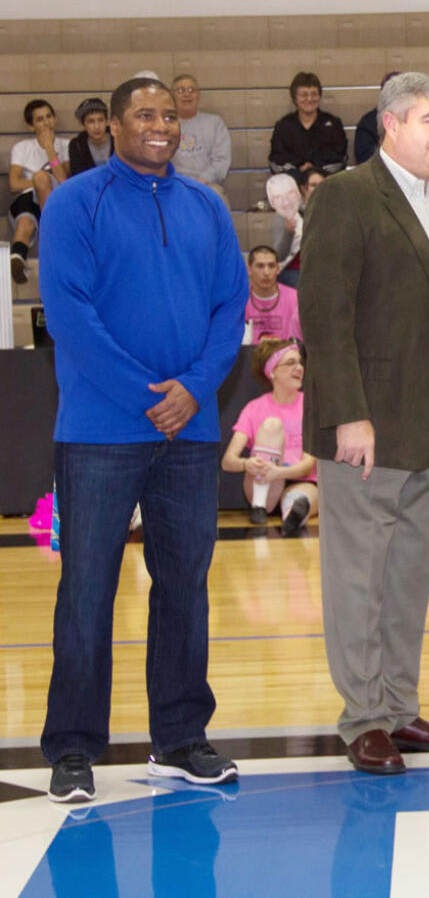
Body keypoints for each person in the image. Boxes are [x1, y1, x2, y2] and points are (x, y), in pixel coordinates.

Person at [37, 76, 249, 803]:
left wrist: (193, 387)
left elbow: (232, 307)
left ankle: (181, 736)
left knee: (185, 588)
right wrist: (145, 396)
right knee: (88, 589)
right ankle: (71, 745)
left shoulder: (205, 205)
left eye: (168, 115)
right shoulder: (75, 201)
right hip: (100, 431)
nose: (160, 126)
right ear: (113, 126)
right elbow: (67, 311)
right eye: (144, 115)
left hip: (190, 430)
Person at [299, 71, 429, 775]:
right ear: (391, 126)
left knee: (408, 573)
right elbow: (325, 315)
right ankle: (363, 719)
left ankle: (400, 708)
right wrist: (348, 413)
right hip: (369, 425)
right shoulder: (347, 197)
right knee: (358, 575)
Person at [221, 339, 317, 533]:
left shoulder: (311, 406)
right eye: (290, 363)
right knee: (271, 425)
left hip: (300, 480)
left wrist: (279, 472)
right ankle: (259, 506)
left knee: (301, 499)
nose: (299, 368)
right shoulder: (254, 408)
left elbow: (308, 464)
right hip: (263, 482)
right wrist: (246, 464)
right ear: (272, 372)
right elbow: (228, 461)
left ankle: (293, 512)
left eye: (300, 363)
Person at [8, 99, 70, 284]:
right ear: (30, 126)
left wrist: (50, 149)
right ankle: (18, 259)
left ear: (55, 118)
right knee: (25, 223)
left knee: (43, 178)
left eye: (49, 117)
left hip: (59, 196)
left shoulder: (67, 145)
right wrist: (37, 181)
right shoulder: (22, 147)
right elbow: (14, 184)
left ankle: (50, 235)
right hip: (28, 198)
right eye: (40, 119)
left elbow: (65, 180)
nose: (46, 123)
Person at [269, 71, 348, 175]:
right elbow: (276, 160)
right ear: (295, 98)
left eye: (314, 94)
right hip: (292, 183)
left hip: (326, 183)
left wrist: (314, 168)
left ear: (319, 96)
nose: (309, 99)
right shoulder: (283, 126)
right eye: (304, 95)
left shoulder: (333, 124)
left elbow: (340, 157)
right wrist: (300, 169)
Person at [171, 74, 232, 200]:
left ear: (198, 96)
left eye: (191, 90)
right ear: (172, 96)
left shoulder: (214, 123)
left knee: (217, 197)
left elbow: (221, 161)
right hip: (172, 186)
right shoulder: (165, 126)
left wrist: (200, 183)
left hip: (207, 186)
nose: (186, 95)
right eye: (181, 90)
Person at [244, 244, 302, 343]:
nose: (266, 272)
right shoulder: (240, 300)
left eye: (271, 266)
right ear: (249, 270)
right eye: (260, 266)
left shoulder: (295, 299)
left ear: (278, 269)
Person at [67, 97, 113, 177]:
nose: (97, 126)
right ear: (83, 125)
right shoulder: (77, 145)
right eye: (91, 121)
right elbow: (79, 177)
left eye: (101, 120)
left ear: (107, 121)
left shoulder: (119, 139)